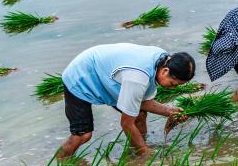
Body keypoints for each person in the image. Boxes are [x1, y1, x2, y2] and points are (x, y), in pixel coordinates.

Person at [57, 45, 196, 158]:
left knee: (140, 114)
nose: (173, 88)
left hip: (106, 73)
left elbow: (142, 101)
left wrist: (170, 111)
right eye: (173, 84)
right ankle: (59, 162)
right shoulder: (137, 78)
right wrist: (146, 153)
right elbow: (126, 123)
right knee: (82, 135)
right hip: (82, 76)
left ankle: (135, 151)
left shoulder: (163, 59)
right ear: (165, 71)